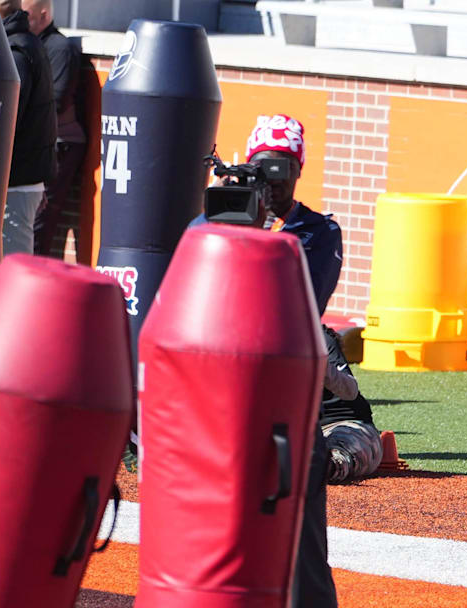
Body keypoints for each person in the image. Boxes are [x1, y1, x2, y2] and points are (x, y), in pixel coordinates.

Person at [192, 114, 343, 608]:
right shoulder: (214, 221)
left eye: (283, 171)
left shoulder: (317, 232)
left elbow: (302, 301)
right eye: (263, 170)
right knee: (214, 547)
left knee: (303, 555)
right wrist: (230, 217)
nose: (273, 184)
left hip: (287, 413)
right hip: (221, 409)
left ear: (298, 172)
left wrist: (257, 232)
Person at [0, 0, 56, 255]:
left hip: (13, 184)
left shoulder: (13, 51)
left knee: (10, 266)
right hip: (16, 182)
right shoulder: (20, 45)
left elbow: (8, 121)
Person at [23, 0, 86, 259]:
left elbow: (56, 101)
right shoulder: (24, 44)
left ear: (44, 14)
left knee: (39, 219)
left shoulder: (59, 48)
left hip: (59, 143)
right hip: (38, 143)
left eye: (25, 14)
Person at [320, 325, 383, 483]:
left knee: (337, 453)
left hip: (341, 425)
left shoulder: (317, 340)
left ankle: (325, 466)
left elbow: (350, 390)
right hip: (297, 431)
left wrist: (319, 365)